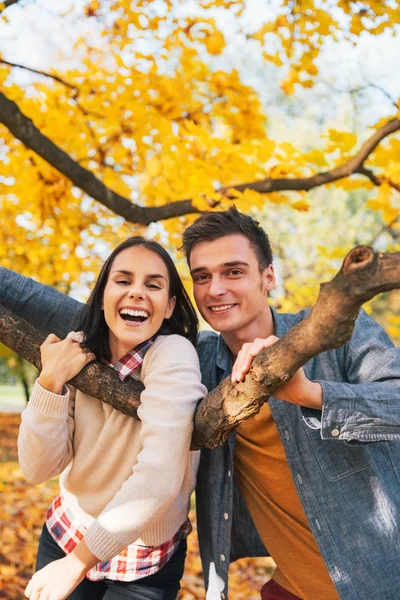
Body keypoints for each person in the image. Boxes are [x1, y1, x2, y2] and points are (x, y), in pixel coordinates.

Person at [1, 208, 400, 600]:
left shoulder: (334, 335)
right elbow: (74, 312)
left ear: (269, 276)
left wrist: (310, 394)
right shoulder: (201, 361)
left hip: (380, 574)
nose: (216, 289)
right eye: (202, 276)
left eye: (233, 271)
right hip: (291, 586)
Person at [16, 236, 207, 600]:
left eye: (152, 285)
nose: (136, 292)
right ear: (103, 294)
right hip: (67, 531)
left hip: (143, 557)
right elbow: (37, 468)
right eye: (123, 281)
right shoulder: (77, 350)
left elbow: (160, 477)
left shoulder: (173, 354)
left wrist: (78, 562)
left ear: (168, 307)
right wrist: (49, 380)